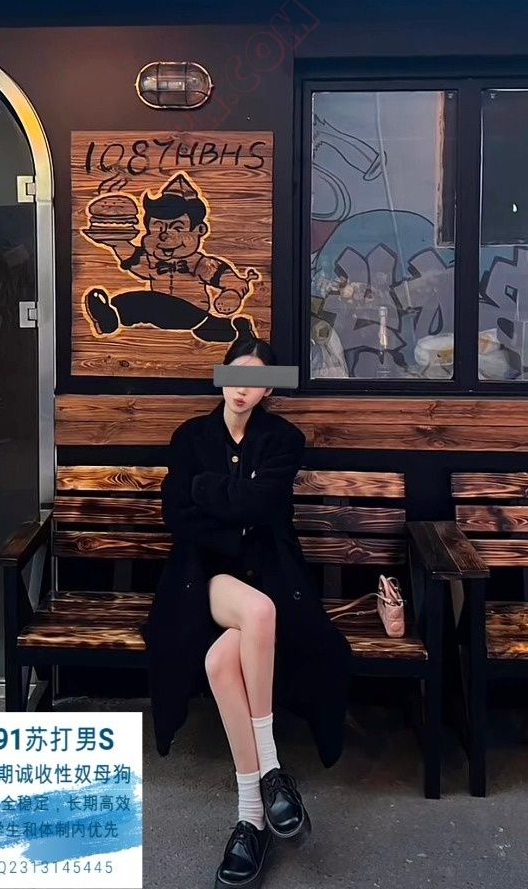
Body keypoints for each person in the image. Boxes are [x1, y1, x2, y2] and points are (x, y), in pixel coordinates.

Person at [140, 336, 353, 889]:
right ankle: (274, 769)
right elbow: (176, 515)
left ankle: (251, 816)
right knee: (256, 612)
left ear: (269, 390)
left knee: (220, 662)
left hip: (273, 576)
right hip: (203, 580)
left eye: (256, 380)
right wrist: (235, 513)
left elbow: (265, 505)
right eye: (235, 374)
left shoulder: (283, 440)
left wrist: (207, 491)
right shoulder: (190, 436)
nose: (242, 388)